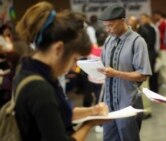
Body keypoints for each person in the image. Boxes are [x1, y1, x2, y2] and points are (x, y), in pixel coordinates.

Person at [14, 2, 109, 141]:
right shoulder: (39, 89)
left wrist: (92, 111)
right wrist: (89, 124)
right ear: (58, 49)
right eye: (74, 59)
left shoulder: (30, 70)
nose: (73, 67)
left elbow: (58, 113)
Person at [98, 4, 152, 141]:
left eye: (110, 25)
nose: (107, 29)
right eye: (105, 26)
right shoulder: (108, 41)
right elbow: (104, 67)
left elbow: (143, 75)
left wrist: (116, 73)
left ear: (122, 21)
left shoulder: (137, 42)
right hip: (109, 104)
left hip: (128, 104)